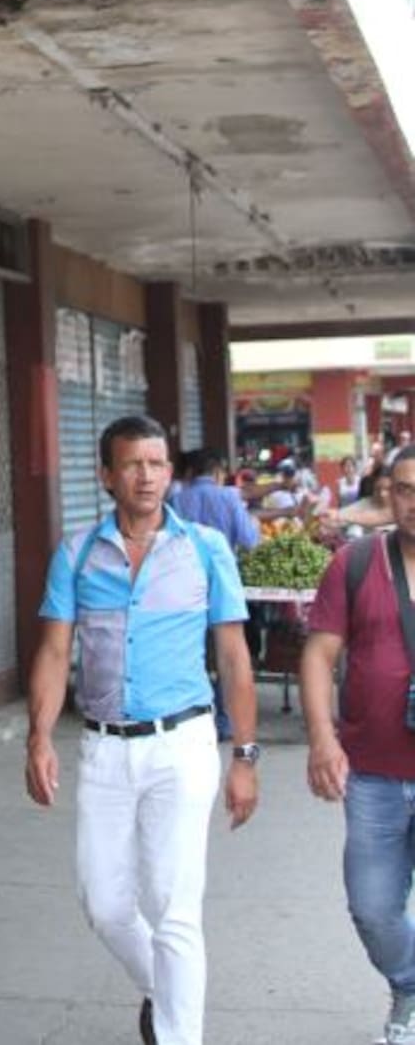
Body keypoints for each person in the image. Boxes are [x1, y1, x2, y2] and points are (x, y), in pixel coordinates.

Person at [25, 415, 259, 1045]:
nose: (147, 476)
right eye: (132, 464)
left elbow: (234, 656)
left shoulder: (205, 548)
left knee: (175, 908)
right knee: (102, 903)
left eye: (156, 464)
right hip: (104, 748)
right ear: (107, 475)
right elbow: (54, 651)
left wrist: (245, 756)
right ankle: (165, 990)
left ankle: (180, 1033)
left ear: (170, 473)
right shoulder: (77, 554)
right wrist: (38, 737)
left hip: (183, 744)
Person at [301, 446, 415, 1045]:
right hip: (373, 773)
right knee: (372, 907)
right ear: (387, 494)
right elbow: (319, 656)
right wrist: (323, 740)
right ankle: (410, 986)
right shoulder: (357, 562)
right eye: (405, 489)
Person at [170, 450, 260, 741]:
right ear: (218, 472)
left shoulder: (177, 499)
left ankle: (191, 719)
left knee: (190, 653)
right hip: (223, 587)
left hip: (183, 587)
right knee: (228, 656)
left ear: (190, 473)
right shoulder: (229, 498)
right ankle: (225, 722)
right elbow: (249, 540)